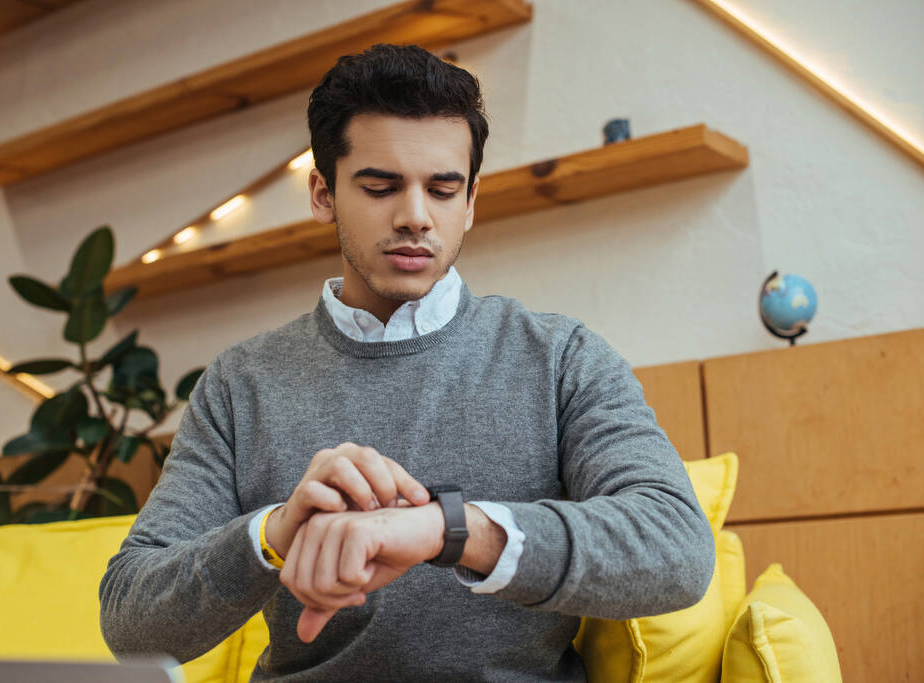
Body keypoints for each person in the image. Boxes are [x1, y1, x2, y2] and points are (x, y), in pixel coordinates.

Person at [99, 43, 715, 681]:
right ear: (323, 194)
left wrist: (446, 531)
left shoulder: (560, 358)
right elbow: (130, 621)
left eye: (443, 190)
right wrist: (276, 534)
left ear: (470, 202)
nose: (415, 217)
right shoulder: (240, 384)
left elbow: (676, 546)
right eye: (380, 187)